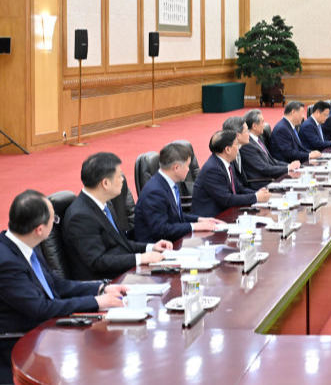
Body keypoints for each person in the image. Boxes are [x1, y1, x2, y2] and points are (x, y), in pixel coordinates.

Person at [0, 190, 127, 383]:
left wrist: (100, 289)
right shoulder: (7, 263)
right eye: (54, 219)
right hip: (21, 345)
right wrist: (95, 302)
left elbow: (56, 285)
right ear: (40, 229)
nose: (55, 223)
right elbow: (40, 308)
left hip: (46, 331)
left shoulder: (26, 245)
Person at [61, 152, 172, 280]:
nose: (123, 180)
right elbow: (98, 262)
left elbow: (121, 243)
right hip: (105, 283)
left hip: (122, 273)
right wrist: (140, 258)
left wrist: (150, 247)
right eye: (119, 176)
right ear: (106, 183)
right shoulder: (80, 216)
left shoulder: (105, 204)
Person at [134, 143, 223, 243]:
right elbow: (161, 230)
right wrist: (194, 226)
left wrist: (200, 220)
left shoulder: (169, 183)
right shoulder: (154, 192)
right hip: (157, 247)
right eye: (187, 166)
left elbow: (175, 216)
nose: (188, 169)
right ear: (176, 167)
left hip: (172, 241)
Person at [191, 130, 271, 218]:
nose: (238, 148)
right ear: (228, 149)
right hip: (212, 218)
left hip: (228, 211)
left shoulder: (227, 163)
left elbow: (239, 189)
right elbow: (227, 199)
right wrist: (256, 197)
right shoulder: (213, 169)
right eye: (236, 145)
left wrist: (259, 193)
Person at [241, 109, 298, 190]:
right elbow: (263, 168)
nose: (264, 126)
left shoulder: (258, 138)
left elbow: (272, 161)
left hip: (270, 178)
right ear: (254, 126)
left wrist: (289, 166)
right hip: (261, 183)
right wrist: (288, 168)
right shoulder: (247, 145)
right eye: (262, 122)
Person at [222, 115, 251, 188]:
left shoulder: (238, 150)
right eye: (247, 131)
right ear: (238, 135)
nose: (249, 133)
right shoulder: (226, 157)